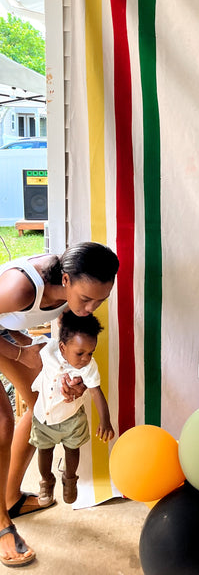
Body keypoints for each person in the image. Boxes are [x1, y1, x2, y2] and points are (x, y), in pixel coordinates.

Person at [0, 242, 119, 567]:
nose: (91, 307)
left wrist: (67, 378)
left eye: (101, 300)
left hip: (5, 333)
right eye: (86, 299)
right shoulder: (21, 288)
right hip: (7, 338)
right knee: (2, 426)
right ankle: (1, 525)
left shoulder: (75, 297)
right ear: (65, 280)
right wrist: (21, 353)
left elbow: (62, 340)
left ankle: (10, 499)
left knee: (41, 406)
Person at [30, 311, 114, 508]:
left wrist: (105, 421)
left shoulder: (88, 367)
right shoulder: (48, 351)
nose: (86, 358)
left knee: (72, 450)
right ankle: (46, 480)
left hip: (72, 419)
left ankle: (70, 478)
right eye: (80, 353)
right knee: (44, 452)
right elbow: (29, 346)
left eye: (90, 352)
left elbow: (96, 393)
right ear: (62, 347)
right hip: (44, 417)